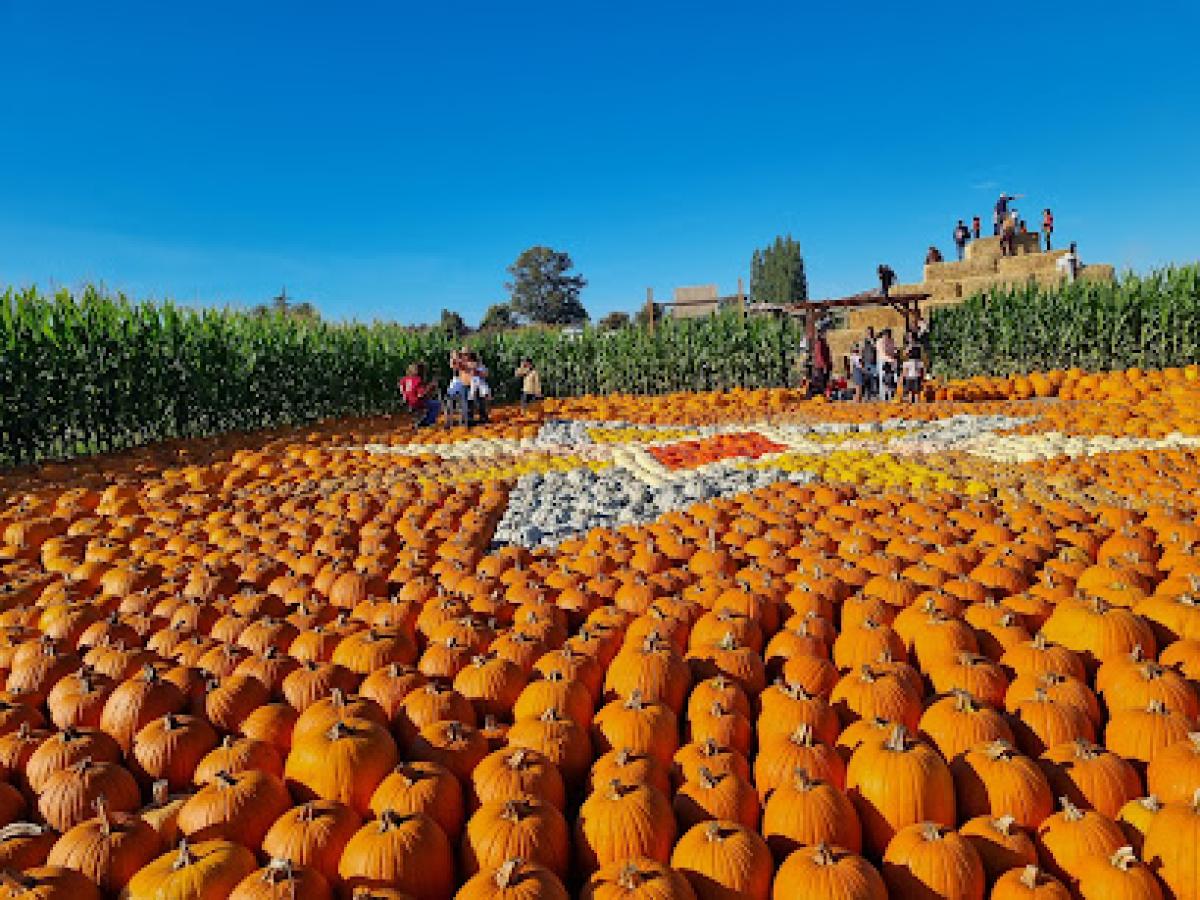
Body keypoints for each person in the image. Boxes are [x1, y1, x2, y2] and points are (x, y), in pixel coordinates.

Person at [398, 363, 441, 427]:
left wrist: (405, 396)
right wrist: (430, 386)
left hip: (408, 402)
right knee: (437, 404)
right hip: (417, 402)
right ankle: (427, 422)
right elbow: (421, 394)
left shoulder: (404, 379)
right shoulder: (417, 380)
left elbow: (401, 389)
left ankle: (420, 419)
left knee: (427, 402)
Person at [807, 329, 832, 399]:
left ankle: (820, 398)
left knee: (823, 383)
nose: (825, 334)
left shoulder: (823, 342)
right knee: (820, 383)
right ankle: (813, 397)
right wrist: (824, 366)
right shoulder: (819, 343)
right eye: (824, 332)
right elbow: (819, 355)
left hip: (823, 366)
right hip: (820, 367)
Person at [876, 328, 898, 399]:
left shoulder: (892, 341)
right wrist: (891, 359)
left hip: (891, 361)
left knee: (892, 378)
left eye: (889, 335)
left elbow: (894, 350)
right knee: (883, 379)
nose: (888, 336)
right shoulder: (880, 342)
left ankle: (891, 395)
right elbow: (882, 354)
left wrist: (895, 354)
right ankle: (883, 396)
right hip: (883, 361)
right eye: (886, 335)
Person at [860, 326, 878, 400]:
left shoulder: (875, 340)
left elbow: (876, 348)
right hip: (866, 362)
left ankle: (873, 394)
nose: (869, 333)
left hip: (873, 362)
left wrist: (872, 340)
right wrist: (862, 362)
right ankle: (867, 395)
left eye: (870, 332)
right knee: (866, 380)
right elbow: (861, 351)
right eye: (867, 332)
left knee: (873, 379)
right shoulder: (864, 341)